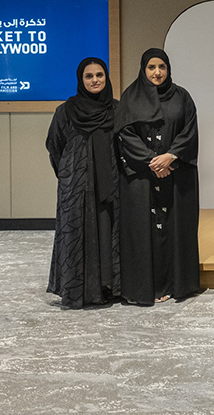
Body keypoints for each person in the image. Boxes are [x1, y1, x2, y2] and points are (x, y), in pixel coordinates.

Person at [116, 48, 200, 305]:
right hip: (141, 176)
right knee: (143, 230)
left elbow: (189, 130)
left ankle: (177, 284)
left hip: (176, 173)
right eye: (151, 67)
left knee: (177, 227)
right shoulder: (130, 97)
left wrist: (170, 156)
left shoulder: (182, 96)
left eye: (162, 67)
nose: (157, 72)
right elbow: (125, 133)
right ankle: (147, 287)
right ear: (143, 70)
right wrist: (152, 161)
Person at [45, 57, 121, 308]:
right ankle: (78, 290)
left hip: (109, 185)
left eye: (99, 75)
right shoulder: (66, 111)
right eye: (89, 76)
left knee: (107, 232)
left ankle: (107, 288)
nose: (95, 80)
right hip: (76, 187)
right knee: (76, 235)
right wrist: (71, 174)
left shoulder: (116, 109)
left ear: (106, 77)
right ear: (81, 79)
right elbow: (54, 146)